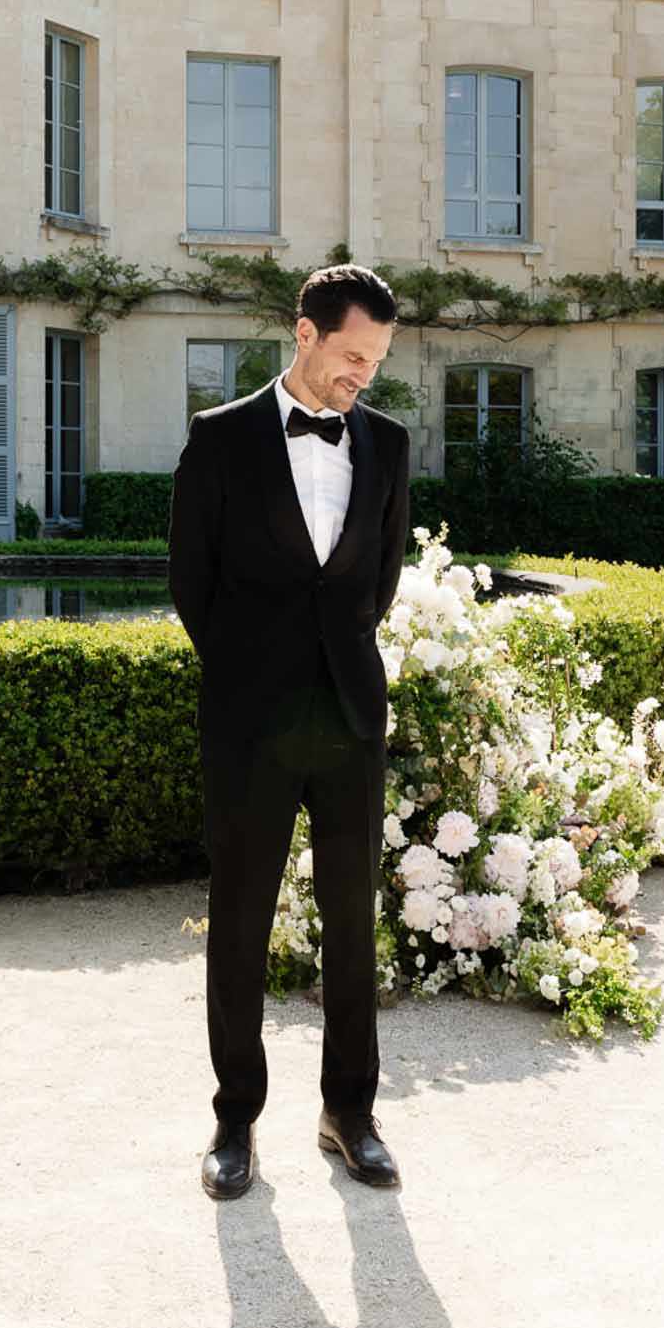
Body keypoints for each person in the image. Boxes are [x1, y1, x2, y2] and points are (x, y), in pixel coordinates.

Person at [169, 263, 410, 1201]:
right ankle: (236, 1120)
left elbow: (376, 584)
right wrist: (252, 676)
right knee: (239, 923)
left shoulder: (385, 445)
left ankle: (350, 1112)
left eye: (376, 361)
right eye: (352, 355)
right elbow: (194, 584)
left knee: (353, 921)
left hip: (350, 715)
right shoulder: (218, 439)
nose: (363, 375)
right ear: (303, 335)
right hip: (249, 722)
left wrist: (332, 663)